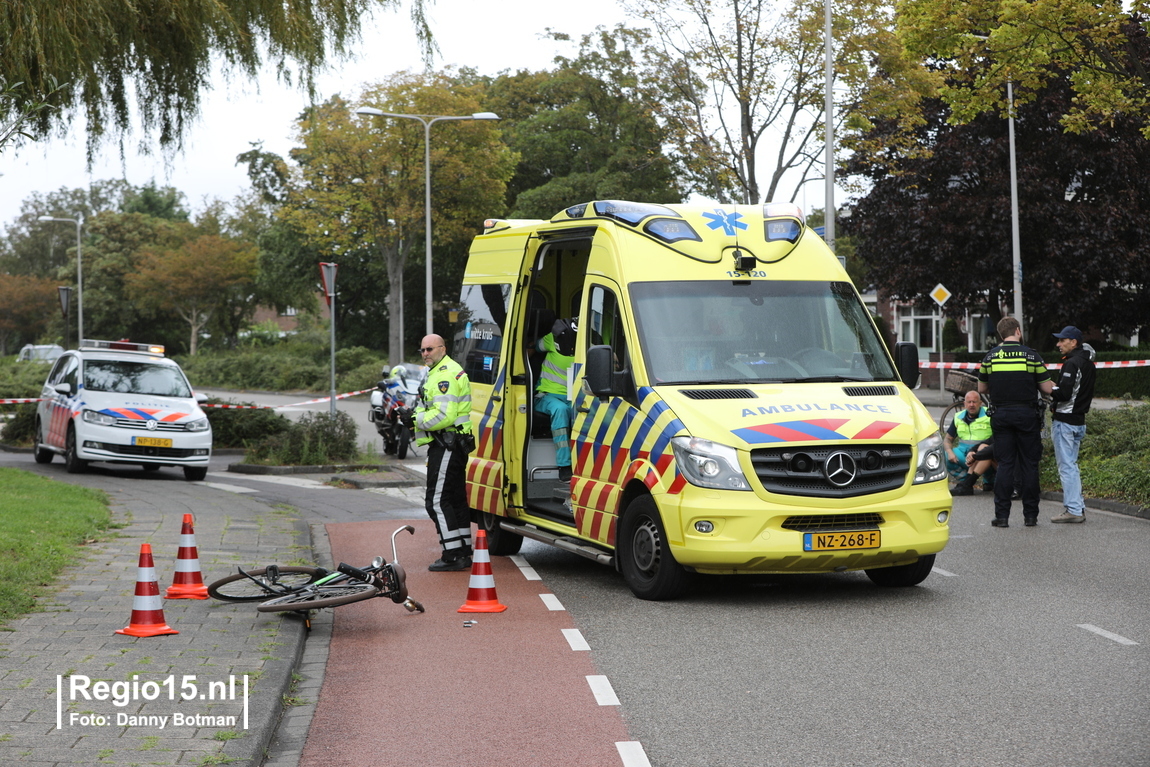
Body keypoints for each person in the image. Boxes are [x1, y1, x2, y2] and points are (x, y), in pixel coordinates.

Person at [405, 334, 475, 571]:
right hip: (453, 443)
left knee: (436, 501)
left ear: (442, 349)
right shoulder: (439, 371)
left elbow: (444, 416)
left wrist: (414, 419)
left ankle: (452, 555)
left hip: (447, 443)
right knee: (455, 499)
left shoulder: (444, 374)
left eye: (430, 349)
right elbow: (432, 407)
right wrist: (413, 416)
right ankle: (463, 550)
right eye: (422, 350)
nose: (425, 353)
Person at [978, 317, 1054, 528]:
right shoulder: (1031, 356)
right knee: (1029, 464)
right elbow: (1047, 388)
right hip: (1027, 415)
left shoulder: (990, 357)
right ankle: (1030, 516)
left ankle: (1002, 516)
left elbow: (981, 388)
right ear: (1018, 331)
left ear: (1001, 334)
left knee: (1005, 464)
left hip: (1001, 415)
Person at [1048, 325, 1096, 524]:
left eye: (1062, 340)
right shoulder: (1088, 363)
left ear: (1074, 342)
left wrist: (1049, 389)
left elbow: (1065, 394)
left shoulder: (1071, 364)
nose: (1058, 344)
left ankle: (1074, 510)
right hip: (1079, 422)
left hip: (1065, 422)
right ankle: (1077, 506)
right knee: (1072, 466)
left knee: (1067, 467)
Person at [532, 317, 577, 482]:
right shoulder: (552, 338)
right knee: (561, 410)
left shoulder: (586, 343)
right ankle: (564, 465)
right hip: (546, 396)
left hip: (574, 397)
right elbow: (536, 346)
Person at [945, 390, 995, 496]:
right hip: (964, 454)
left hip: (983, 454)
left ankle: (989, 481)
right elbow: (947, 439)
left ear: (980, 403)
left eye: (974, 402)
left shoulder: (989, 415)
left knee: (983, 450)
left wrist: (976, 452)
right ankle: (966, 481)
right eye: (969, 402)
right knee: (945, 455)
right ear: (964, 404)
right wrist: (949, 452)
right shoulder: (958, 416)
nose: (971, 405)